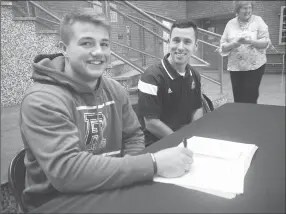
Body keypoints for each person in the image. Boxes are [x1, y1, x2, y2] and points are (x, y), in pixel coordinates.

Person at [20, 9, 194, 211]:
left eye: (104, 44)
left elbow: (133, 136)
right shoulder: (41, 100)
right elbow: (68, 171)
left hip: (109, 190)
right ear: (64, 48)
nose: (98, 52)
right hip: (58, 203)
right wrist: (152, 163)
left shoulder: (115, 90)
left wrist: (130, 173)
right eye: (86, 43)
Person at [137, 19, 204, 146]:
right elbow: (151, 123)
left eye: (187, 42)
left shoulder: (195, 75)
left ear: (195, 46)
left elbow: (197, 108)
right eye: (176, 40)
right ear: (168, 42)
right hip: (157, 144)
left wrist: (195, 137)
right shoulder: (151, 77)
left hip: (185, 140)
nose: (180, 47)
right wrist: (181, 141)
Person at [219, 1, 271, 104]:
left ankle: (250, 118)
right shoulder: (230, 23)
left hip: (255, 66)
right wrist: (234, 44)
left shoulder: (258, 20)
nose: (248, 11)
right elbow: (223, 46)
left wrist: (251, 41)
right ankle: (240, 117)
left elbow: (265, 42)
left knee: (251, 96)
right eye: (244, 8)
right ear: (238, 10)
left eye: (249, 8)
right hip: (236, 67)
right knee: (238, 97)